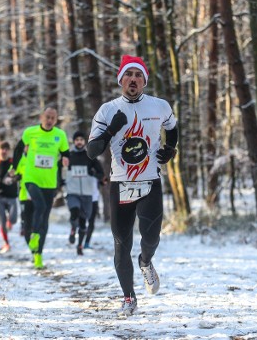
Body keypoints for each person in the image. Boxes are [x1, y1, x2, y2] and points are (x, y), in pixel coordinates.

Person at [87, 55, 178, 316]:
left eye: (139, 75)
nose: (134, 79)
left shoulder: (159, 106)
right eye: (129, 74)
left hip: (150, 181)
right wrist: (111, 129)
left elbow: (172, 128)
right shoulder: (107, 110)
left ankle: (146, 261)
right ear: (121, 80)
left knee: (151, 237)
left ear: (144, 81)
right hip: (121, 184)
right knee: (121, 243)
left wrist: (170, 149)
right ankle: (128, 297)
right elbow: (93, 152)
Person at [12, 107, 70, 269]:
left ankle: (38, 255)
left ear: (56, 119)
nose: (50, 120)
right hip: (31, 178)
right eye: (47, 117)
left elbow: (66, 152)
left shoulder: (60, 135)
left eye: (53, 118)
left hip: (49, 182)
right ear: (41, 117)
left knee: (44, 219)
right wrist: (13, 167)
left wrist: (65, 158)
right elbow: (17, 150)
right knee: (40, 206)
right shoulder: (30, 133)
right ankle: (34, 235)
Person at [65, 131, 104, 255]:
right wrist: (60, 181)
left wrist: (94, 174)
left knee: (83, 222)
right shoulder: (69, 156)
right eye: (77, 140)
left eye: (81, 139)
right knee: (74, 212)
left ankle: (80, 245)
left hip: (87, 194)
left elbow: (101, 173)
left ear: (84, 142)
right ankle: (72, 229)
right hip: (72, 192)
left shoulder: (90, 156)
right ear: (74, 141)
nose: (79, 142)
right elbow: (60, 170)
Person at [84, 175, 104, 249]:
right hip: (83, 200)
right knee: (81, 221)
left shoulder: (97, 174)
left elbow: (104, 182)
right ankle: (79, 240)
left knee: (91, 222)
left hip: (93, 201)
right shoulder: (82, 171)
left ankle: (86, 243)